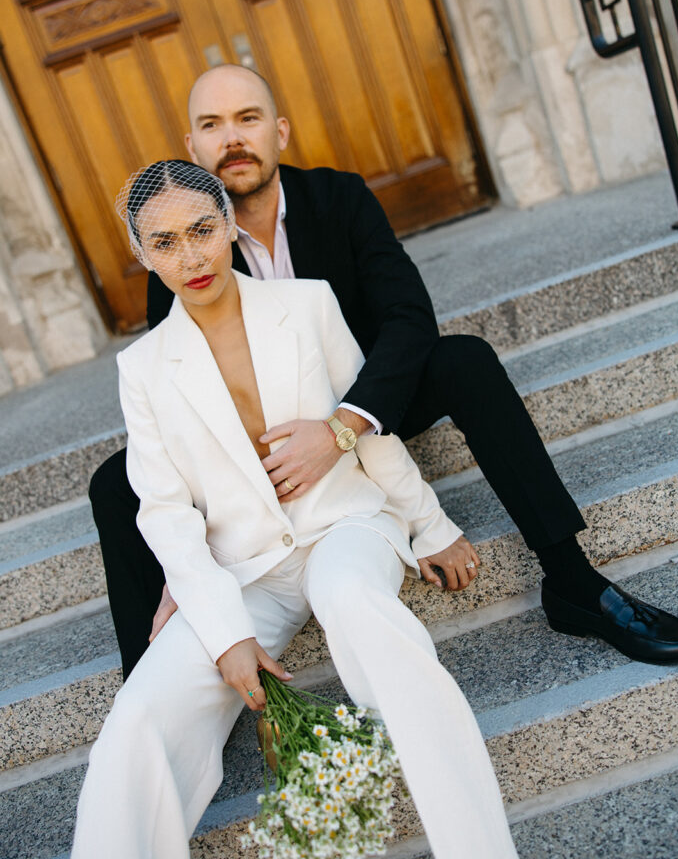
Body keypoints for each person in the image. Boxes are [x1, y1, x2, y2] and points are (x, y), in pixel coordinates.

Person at [91, 65, 678, 680]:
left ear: (280, 131)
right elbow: (178, 391)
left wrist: (343, 426)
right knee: (115, 484)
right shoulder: (183, 246)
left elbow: (408, 318)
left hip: (371, 407)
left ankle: (574, 581)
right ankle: (151, 679)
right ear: (191, 149)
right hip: (265, 452)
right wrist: (180, 572)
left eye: (248, 118)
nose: (232, 138)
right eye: (211, 125)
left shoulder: (339, 198)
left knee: (466, 360)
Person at [71, 160, 519, 859]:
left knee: (357, 606)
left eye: (202, 230)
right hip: (242, 571)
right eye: (164, 243)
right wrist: (221, 631)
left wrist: (431, 525)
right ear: (140, 254)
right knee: (138, 717)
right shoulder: (143, 368)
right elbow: (164, 512)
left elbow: (368, 433)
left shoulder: (308, 303)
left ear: (228, 224)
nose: (190, 256)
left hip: (344, 526)